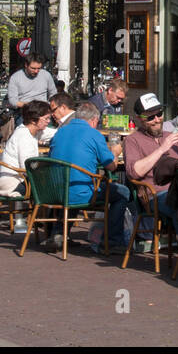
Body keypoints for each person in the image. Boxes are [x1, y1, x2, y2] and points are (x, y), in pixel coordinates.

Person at [51, 102, 131, 252]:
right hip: (80, 192)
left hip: (53, 192)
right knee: (122, 192)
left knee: (73, 181)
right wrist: (114, 152)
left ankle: (59, 233)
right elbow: (111, 166)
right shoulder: (94, 134)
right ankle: (113, 241)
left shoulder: (59, 132)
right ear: (94, 120)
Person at [0, 100, 50, 196]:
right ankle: (42, 211)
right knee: (53, 187)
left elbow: (51, 133)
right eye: (46, 118)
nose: (49, 121)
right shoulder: (24, 136)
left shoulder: (26, 129)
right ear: (34, 120)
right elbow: (28, 166)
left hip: (11, 179)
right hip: (13, 184)